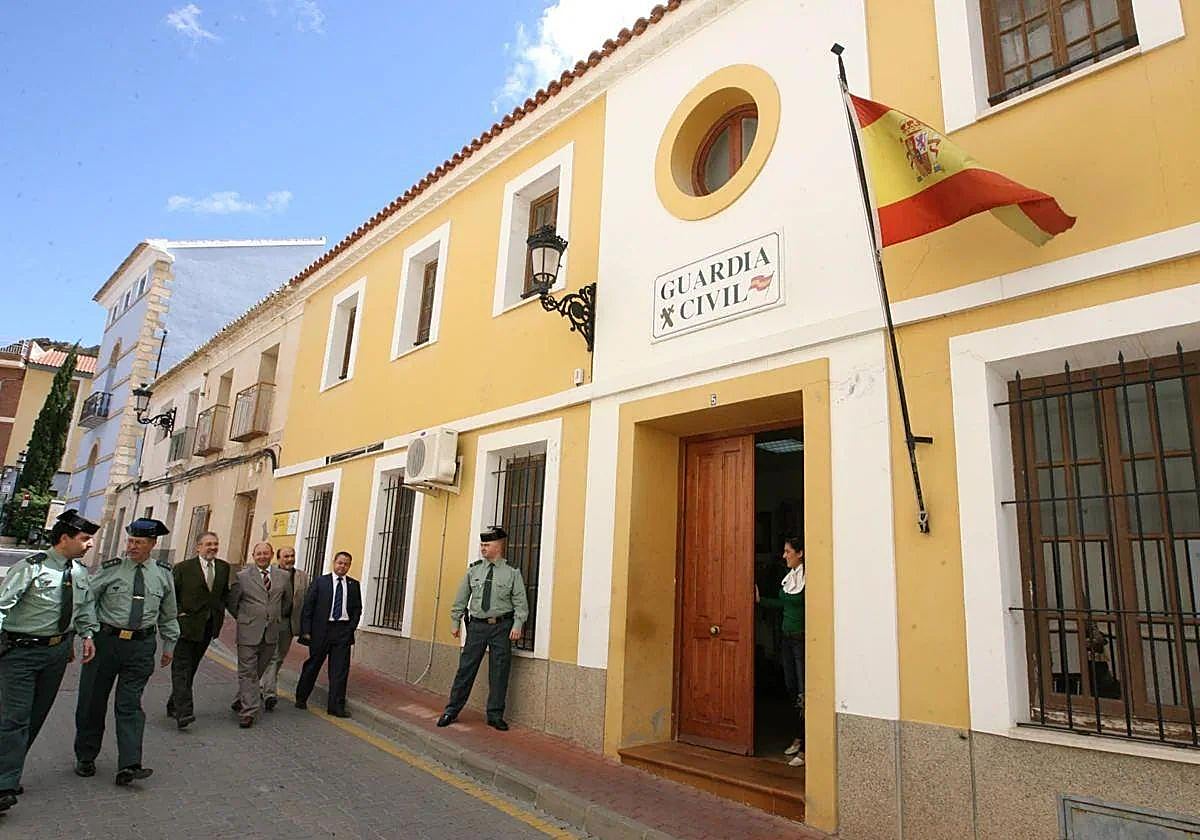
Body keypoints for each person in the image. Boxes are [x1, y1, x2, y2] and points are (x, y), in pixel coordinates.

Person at [0, 509, 99, 812]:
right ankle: (3, 784)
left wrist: (87, 635)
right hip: (21, 653)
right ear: (65, 538)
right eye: (85, 538)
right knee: (14, 718)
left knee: (36, 716)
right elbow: (2, 606)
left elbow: (84, 607)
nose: (90, 544)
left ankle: (9, 772)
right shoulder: (31, 568)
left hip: (56, 654)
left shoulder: (79, 572)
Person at [74, 517, 179, 786]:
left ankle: (130, 764)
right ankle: (86, 755)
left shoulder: (163, 574)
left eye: (138, 542)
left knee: (130, 704)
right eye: (130, 541)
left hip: (141, 646)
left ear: (152, 544)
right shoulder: (111, 569)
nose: (132, 547)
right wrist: (87, 634)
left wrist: (169, 645)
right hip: (106, 643)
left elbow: (169, 613)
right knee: (92, 701)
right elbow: (87, 601)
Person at [437, 526, 529, 732]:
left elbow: (520, 602)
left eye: (487, 545)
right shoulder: (474, 570)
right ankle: (451, 710)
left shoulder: (512, 572)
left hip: (501, 627)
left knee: (499, 672)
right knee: (466, 669)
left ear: (498, 546)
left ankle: (495, 715)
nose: (483, 548)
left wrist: (517, 624)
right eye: (482, 544)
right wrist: (455, 621)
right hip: (477, 626)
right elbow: (461, 597)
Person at [167, 531, 231, 729]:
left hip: (208, 627)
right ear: (198, 547)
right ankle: (184, 712)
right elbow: (171, 594)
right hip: (185, 626)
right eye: (208, 544)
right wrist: (177, 614)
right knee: (181, 667)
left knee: (191, 667)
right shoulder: (183, 568)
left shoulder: (223, 568)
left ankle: (174, 703)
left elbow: (224, 595)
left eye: (215, 544)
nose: (213, 547)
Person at [757, 535, 806, 767]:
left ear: (800, 553)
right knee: (791, 687)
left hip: (801, 639)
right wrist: (761, 601)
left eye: (788, 551)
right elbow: (783, 604)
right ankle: (798, 736)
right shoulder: (790, 577)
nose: (784, 555)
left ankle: (805, 747)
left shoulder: (808, 578)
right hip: (787, 639)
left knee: (804, 692)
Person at [227, 542, 288, 728]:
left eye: (265, 553)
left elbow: (286, 602)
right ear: (253, 556)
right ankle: (249, 711)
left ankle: (241, 698)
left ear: (271, 555)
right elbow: (232, 602)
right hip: (248, 631)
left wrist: (274, 617)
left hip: (271, 632)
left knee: (258, 670)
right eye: (258, 553)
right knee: (247, 671)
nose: (262, 556)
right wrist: (246, 619)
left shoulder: (283, 576)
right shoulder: (242, 577)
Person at [294, 551, 361, 718]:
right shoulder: (320, 582)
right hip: (321, 631)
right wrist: (306, 631)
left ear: (349, 566)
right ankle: (301, 697)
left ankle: (336, 706)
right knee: (313, 665)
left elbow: (357, 609)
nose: (342, 566)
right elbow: (308, 606)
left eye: (346, 564)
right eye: (340, 563)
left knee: (339, 671)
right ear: (334, 563)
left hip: (342, 631)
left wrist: (351, 628)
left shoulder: (353, 585)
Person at [260, 546, 308, 712]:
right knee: (272, 657)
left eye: (292, 556)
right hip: (272, 622)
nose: (290, 559)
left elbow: (305, 600)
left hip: (289, 623)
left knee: (280, 657)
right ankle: (270, 694)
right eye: (286, 556)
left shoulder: (302, 576)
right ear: (278, 558)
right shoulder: (270, 575)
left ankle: (263, 684)